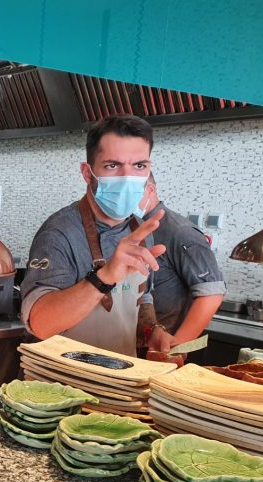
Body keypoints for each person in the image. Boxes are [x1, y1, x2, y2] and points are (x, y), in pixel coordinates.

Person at [20, 114, 174, 357]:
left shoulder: (140, 230)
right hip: (61, 386)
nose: (127, 178)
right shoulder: (59, 233)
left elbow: (142, 297)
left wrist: (151, 331)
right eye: (113, 166)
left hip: (120, 382)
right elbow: (40, 323)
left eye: (139, 166)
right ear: (87, 172)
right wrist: (105, 276)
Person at [140, 172, 226, 340]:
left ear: (150, 189)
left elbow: (211, 294)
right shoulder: (129, 227)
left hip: (157, 345)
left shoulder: (180, 232)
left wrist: (176, 347)